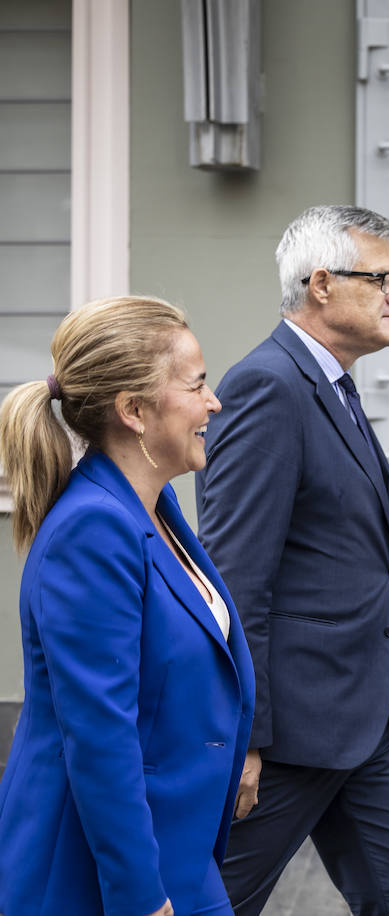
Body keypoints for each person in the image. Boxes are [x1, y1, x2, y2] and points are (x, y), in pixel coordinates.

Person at [195, 205, 389, 914]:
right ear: (322, 284)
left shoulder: (333, 385)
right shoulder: (267, 386)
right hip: (292, 730)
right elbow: (235, 575)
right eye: (383, 278)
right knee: (216, 901)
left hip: (362, 721)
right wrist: (247, 737)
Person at [0, 297, 254, 916]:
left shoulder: (154, 509)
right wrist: (142, 898)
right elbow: (99, 736)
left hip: (179, 856)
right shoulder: (92, 531)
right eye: (197, 385)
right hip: (97, 878)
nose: (213, 402)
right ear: (134, 411)